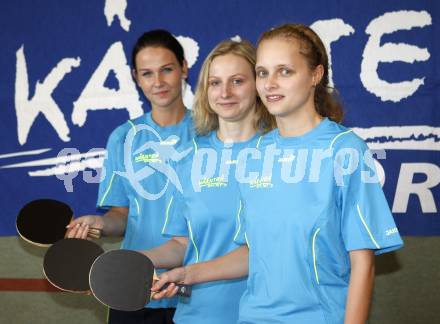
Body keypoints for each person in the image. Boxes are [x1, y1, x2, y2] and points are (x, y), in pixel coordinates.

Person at [152, 24, 404, 324]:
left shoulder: (345, 150)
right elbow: (252, 253)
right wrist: (187, 273)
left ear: (315, 75)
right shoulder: (255, 155)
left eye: (284, 71)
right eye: (262, 72)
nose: (270, 84)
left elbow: (363, 263)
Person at [140, 39, 274, 324]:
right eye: (215, 83)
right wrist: (136, 260)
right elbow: (181, 244)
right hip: (198, 315)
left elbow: (274, 248)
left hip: (269, 315)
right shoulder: (187, 160)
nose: (224, 92)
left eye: (237, 81)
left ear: (258, 84)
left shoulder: (284, 155)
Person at [66, 29, 194, 324]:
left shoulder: (211, 134)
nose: (158, 82)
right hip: (132, 286)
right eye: (147, 73)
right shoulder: (123, 137)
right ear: (136, 78)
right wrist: (100, 222)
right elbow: (120, 215)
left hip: (194, 291)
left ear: (184, 68)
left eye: (167, 70)